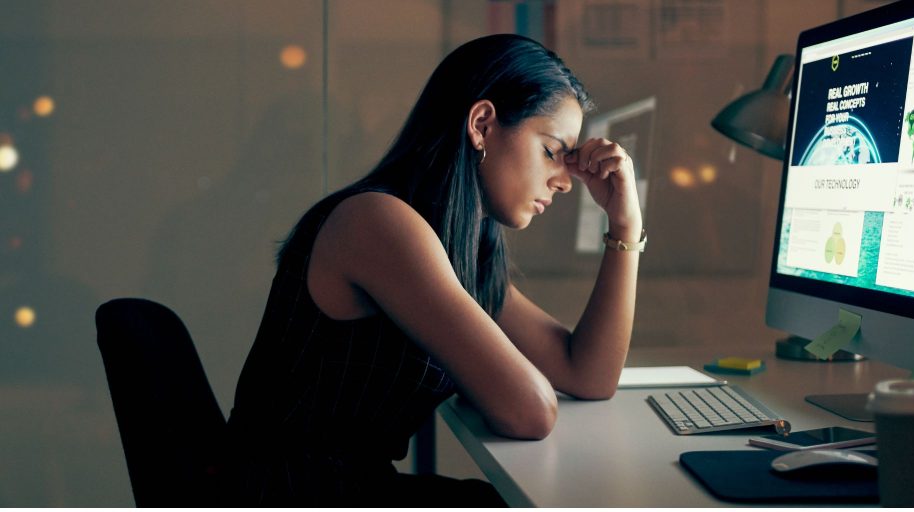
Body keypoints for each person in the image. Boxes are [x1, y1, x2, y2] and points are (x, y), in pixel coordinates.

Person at [222, 33, 644, 506]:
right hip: (290, 493)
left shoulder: (462, 246)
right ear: (482, 124)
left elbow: (587, 375)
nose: (565, 181)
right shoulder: (379, 224)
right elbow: (531, 413)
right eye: (551, 151)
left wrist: (625, 225)